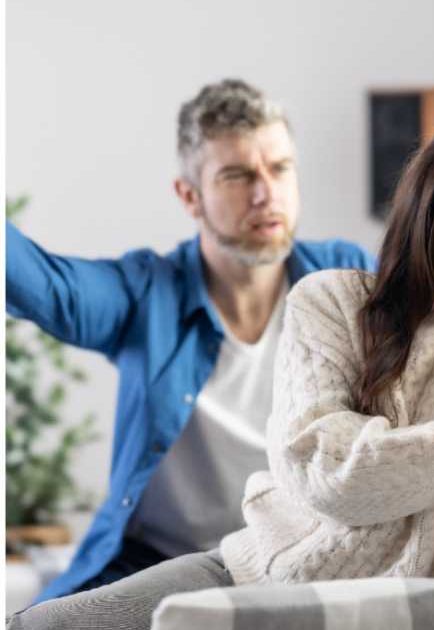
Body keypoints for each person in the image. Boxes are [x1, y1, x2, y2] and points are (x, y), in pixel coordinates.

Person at [9, 109, 434, 630]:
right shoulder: (332, 298)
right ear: (427, 217)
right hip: (249, 569)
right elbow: (326, 472)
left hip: (372, 609)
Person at [5, 78, 375, 603]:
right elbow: (44, 286)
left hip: (304, 560)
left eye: (280, 168)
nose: (265, 193)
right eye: (237, 175)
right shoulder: (146, 294)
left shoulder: (346, 276)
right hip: (156, 566)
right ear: (189, 196)